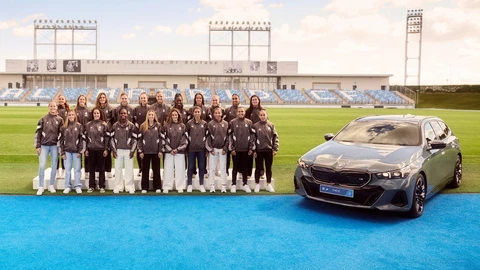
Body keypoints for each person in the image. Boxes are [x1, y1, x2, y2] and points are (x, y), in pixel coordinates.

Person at [34, 101, 64, 195]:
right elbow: (37, 133)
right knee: (42, 166)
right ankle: (41, 186)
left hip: (55, 146)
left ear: (56, 108)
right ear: (48, 107)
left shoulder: (60, 120)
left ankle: (51, 185)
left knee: (54, 166)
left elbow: (62, 135)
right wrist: (37, 146)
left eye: (54, 106)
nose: (52, 108)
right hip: (44, 146)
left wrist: (60, 147)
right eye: (51, 106)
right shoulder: (42, 119)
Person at [111, 108, 138, 194]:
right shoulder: (115, 126)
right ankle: (118, 187)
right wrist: (114, 150)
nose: (123, 115)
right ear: (119, 114)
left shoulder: (131, 125)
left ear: (127, 114)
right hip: (118, 150)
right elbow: (111, 139)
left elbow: (135, 139)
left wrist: (133, 150)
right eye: (121, 113)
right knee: (118, 169)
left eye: (125, 113)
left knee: (129, 169)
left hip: (128, 151)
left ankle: (129, 187)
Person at [228, 106, 254, 193]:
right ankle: (233, 184)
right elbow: (230, 136)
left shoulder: (249, 122)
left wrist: (251, 147)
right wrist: (232, 148)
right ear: (237, 113)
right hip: (236, 149)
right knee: (235, 167)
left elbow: (252, 136)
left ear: (244, 112)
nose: (241, 113)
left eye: (242, 112)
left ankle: (245, 184)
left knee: (245, 168)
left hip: (246, 149)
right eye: (239, 112)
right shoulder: (232, 122)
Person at [252, 109, 279, 193]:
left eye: (264, 115)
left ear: (267, 115)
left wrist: (275, 148)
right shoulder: (255, 126)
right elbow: (253, 139)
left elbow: (275, 137)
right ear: (259, 116)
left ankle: (268, 184)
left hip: (268, 150)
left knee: (268, 168)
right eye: (261, 115)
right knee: (258, 167)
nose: (263, 116)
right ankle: (257, 184)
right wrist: (254, 150)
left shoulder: (271, 125)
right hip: (259, 150)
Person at [162, 108, 188, 193]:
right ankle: (167, 186)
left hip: (179, 152)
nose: (174, 116)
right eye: (173, 115)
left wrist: (177, 149)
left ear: (178, 116)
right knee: (168, 169)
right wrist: (170, 150)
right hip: (169, 152)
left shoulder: (183, 126)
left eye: (176, 115)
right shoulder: (166, 126)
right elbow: (163, 139)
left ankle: (180, 186)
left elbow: (185, 140)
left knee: (180, 170)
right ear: (170, 116)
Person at [138, 110, 163, 193]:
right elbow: (140, 139)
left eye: (152, 115)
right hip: (145, 152)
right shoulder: (143, 126)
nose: (151, 116)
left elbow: (161, 138)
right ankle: (144, 187)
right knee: (145, 170)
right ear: (147, 116)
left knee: (156, 170)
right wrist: (140, 151)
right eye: (149, 115)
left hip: (156, 152)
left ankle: (157, 187)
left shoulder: (158, 125)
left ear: (154, 116)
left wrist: (160, 150)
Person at [85, 108, 109, 193]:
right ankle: (91, 186)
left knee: (101, 168)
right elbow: (86, 138)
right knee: (91, 168)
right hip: (91, 149)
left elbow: (106, 138)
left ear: (100, 114)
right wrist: (86, 149)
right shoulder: (88, 125)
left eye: (97, 113)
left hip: (101, 149)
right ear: (92, 114)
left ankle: (101, 186)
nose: (96, 115)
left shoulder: (104, 124)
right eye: (94, 113)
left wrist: (106, 149)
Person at [60, 110, 84, 194]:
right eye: (69, 115)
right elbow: (61, 141)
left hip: (76, 152)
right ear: (67, 116)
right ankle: (67, 186)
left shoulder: (79, 126)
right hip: (67, 151)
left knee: (77, 169)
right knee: (67, 170)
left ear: (75, 116)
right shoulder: (63, 127)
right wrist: (62, 152)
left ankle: (77, 186)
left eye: (72, 114)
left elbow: (82, 139)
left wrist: (80, 151)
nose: (71, 116)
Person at [206, 107, 229, 193]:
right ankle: (212, 186)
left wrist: (225, 148)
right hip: (213, 149)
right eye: (215, 113)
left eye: (219, 113)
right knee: (212, 168)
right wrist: (210, 149)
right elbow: (208, 137)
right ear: (213, 114)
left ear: (221, 114)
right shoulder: (210, 124)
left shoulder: (226, 123)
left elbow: (227, 137)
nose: (217, 114)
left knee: (223, 168)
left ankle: (223, 186)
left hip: (223, 149)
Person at [186, 106, 207, 193]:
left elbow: (207, 136)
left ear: (201, 113)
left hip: (201, 149)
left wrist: (206, 148)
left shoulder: (205, 124)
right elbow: (186, 136)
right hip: (191, 149)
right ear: (193, 113)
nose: (197, 113)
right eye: (196, 112)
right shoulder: (189, 123)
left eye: (199, 112)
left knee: (201, 167)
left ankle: (201, 184)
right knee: (190, 167)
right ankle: (189, 184)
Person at [94, 92, 114, 178]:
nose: (102, 99)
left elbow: (113, 120)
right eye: (100, 97)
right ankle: (98, 170)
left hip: (107, 133)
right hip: (98, 134)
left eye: (103, 97)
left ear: (106, 99)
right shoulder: (96, 109)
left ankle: (108, 170)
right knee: (98, 153)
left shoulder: (110, 109)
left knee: (108, 152)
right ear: (98, 99)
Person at [245, 95, 265, 179]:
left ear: (258, 100)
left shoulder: (262, 110)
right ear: (251, 101)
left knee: (260, 154)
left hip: (260, 134)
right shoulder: (248, 111)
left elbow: (266, 121)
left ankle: (261, 172)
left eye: (256, 99)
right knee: (249, 153)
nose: (254, 101)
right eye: (253, 100)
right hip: (250, 134)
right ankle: (248, 173)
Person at [223, 93, 240, 176]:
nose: (234, 100)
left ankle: (239, 171)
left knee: (238, 154)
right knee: (227, 154)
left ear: (239, 100)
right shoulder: (227, 110)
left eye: (236, 98)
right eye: (233, 99)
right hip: (229, 135)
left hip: (239, 136)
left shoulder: (241, 110)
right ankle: (226, 171)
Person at [75, 94, 91, 179]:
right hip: (77, 135)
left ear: (85, 101)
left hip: (87, 135)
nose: (81, 101)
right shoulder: (74, 110)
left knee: (87, 153)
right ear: (78, 101)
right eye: (80, 99)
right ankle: (79, 170)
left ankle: (87, 171)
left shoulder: (89, 111)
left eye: (83, 99)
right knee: (79, 153)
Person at [133, 92, 149, 177]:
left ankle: (147, 169)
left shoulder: (150, 108)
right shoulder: (136, 109)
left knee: (147, 151)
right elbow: (133, 121)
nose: (143, 99)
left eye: (144, 98)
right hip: (138, 133)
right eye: (142, 98)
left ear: (147, 99)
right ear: (140, 99)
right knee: (139, 151)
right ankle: (140, 169)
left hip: (148, 133)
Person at [56, 94, 70, 178]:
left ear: (65, 100)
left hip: (65, 134)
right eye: (60, 99)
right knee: (57, 153)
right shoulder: (55, 109)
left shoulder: (68, 110)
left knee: (63, 152)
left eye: (62, 99)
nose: (61, 100)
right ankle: (57, 171)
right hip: (56, 134)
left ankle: (64, 170)